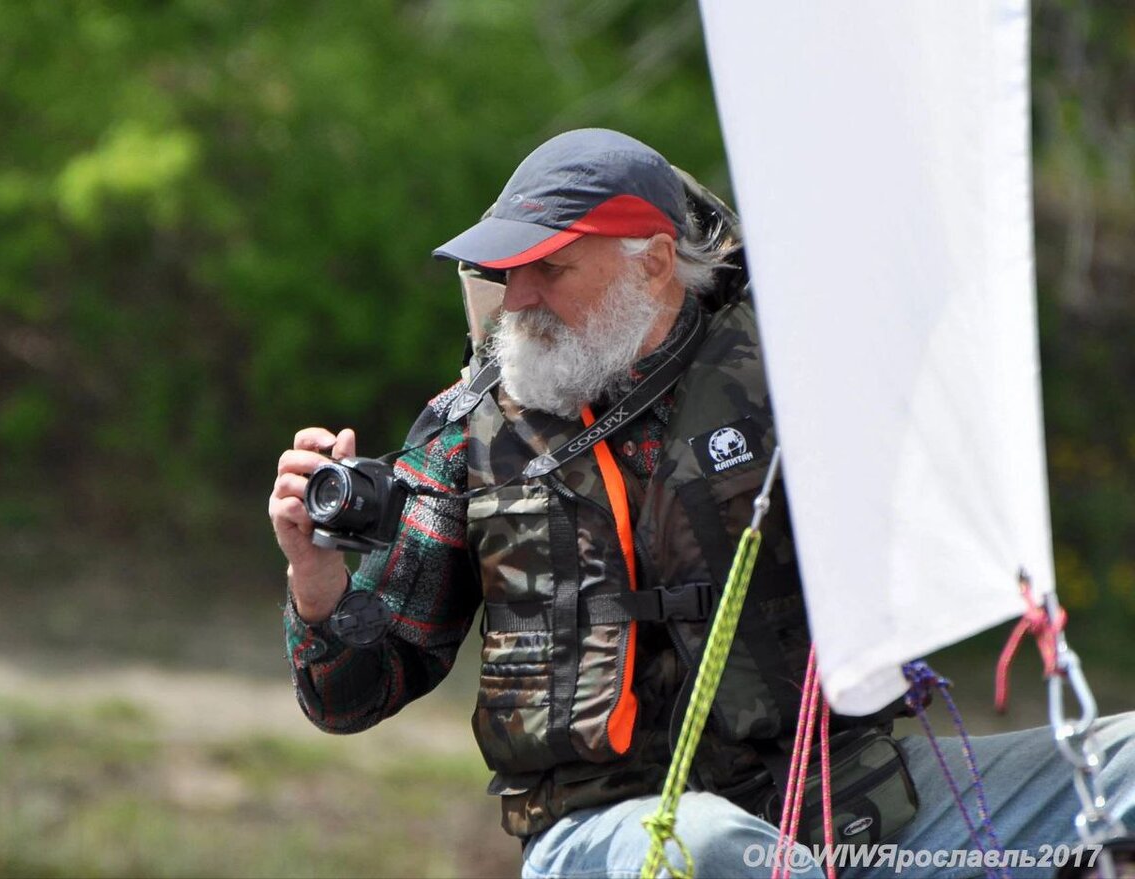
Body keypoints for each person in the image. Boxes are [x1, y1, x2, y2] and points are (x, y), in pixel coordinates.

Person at [269, 128, 1135, 878]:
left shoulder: (800, 376)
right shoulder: (469, 431)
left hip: (855, 808)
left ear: (649, 262)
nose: (517, 298)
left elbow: (935, 521)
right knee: (714, 846)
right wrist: (316, 579)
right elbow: (350, 696)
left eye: (548, 269)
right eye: (506, 271)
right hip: (610, 836)